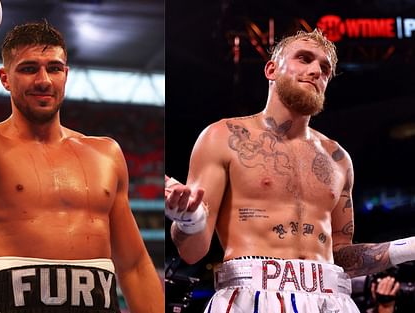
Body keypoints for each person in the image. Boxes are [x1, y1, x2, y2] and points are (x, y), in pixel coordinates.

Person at [0, 0, 164, 312]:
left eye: (54, 68)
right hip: (12, 301)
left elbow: (135, 266)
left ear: (66, 74)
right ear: (5, 78)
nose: (44, 80)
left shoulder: (105, 153)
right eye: (29, 69)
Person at [165, 29, 415, 312]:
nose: (315, 71)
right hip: (252, 297)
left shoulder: (337, 158)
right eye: (304, 59)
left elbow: (341, 255)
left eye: (324, 69)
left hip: (332, 300)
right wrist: (190, 220)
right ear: (271, 69)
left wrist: (408, 248)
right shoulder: (223, 137)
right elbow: (191, 252)